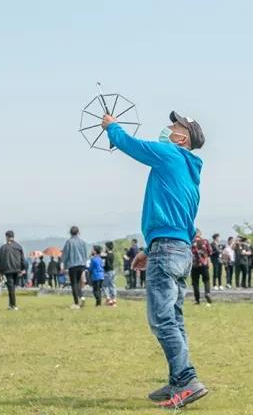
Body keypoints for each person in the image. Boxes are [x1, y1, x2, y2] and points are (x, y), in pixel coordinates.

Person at [102, 109, 209, 408]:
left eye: (174, 125)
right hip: (178, 250)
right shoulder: (190, 172)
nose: (168, 128)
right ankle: (178, 381)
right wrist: (148, 252)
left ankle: (187, 378)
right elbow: (183, 223)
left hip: (168, 250)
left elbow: (132, 145)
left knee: (161, 318)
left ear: (182, 136)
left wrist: (112, 127)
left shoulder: (170, 155)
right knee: (174, 318)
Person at [0, 230, 26, 311]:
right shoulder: (19, 247)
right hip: (17, 270)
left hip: (7, 270)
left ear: (6, 237)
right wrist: (23, 268)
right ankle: (11, 304)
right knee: (12, 288)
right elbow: (23, 259)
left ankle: (13, 305)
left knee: (11, 288)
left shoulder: (3, 248)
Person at [61, 226, 89, 309]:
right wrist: (84, 264)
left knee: (74, 283)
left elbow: (65, 255)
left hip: (73, 265)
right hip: (81, 264)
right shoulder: (82, 242)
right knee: (78, 283)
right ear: (78, 232)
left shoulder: (69, 242)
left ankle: (76, 302)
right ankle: (81, 296)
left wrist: (64, 266)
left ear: (70, 232)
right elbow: (85, 254)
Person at [190, 230, 212, 306]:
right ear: (200, 234)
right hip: (204, 264)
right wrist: (208, 262)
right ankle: (207, 293)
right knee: (206, 280)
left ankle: (197, 300)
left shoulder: (191, 242)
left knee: (195, 283)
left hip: (194, 265)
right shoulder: (205, 241)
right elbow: (210, 252)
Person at [103, 241, 118, 306]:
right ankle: (114, 299)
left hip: (107, 271)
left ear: (107, 247)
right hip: (112, 271)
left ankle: (108, 299)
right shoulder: (112, 254)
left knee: (105, 286)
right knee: (112, 285)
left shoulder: (105, 255)